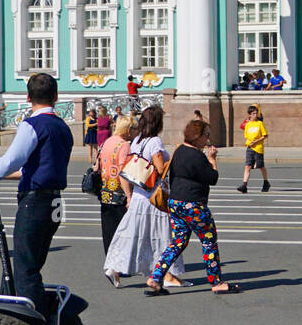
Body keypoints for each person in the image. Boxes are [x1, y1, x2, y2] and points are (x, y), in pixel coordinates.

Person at [0, 74, 73, 325]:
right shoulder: (62, 127)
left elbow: (9, 162)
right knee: (31, 262)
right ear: (56, 97)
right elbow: (32, 168)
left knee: (25, 268)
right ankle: (13, 316)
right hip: (56, 201)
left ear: (27, 97)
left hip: (34, 202)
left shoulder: (32, 125)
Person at [146, 118, 237, 296]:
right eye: (206, 135)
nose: (208, 139)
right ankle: (216, 282)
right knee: (209, 241)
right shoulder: (197, 156)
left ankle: (156, 277)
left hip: (175, 202)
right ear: (198, 137)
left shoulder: (179, 150)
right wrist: (212, 159)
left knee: (177, 242)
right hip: (193, 204)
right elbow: (213, 178)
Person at [103, 104, 185, 289]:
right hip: (153, 196)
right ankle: (167, 274)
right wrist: (173, 157)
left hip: (139, 193)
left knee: (131, 233)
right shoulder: (155, 141)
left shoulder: (137, 140)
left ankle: (114, 267)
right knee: (162, 234)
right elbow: (160, 168)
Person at [97, 115, 133, 259]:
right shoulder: (123, 145)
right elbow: (122, 171)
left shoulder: (108, 141)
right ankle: (120, 262)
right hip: (118, 192)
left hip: (105, 190)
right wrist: (129, 195)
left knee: (108, 229)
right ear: (127, 129)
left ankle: (110, 260)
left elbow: (97, 165)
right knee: (122, 229)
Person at [238, 103, 270, 193]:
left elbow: (265, 135)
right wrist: (250, 143)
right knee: (247, 166)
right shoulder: (247, 125)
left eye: (256, 113)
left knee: (261, 166)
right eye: (253, 113)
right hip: (249, 147)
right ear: (249, 115)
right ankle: (244, 185)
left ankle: (266, 182)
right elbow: (246, 136)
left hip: (258, 148)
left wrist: (255, 141)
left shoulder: (260, 124)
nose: (255, 115)